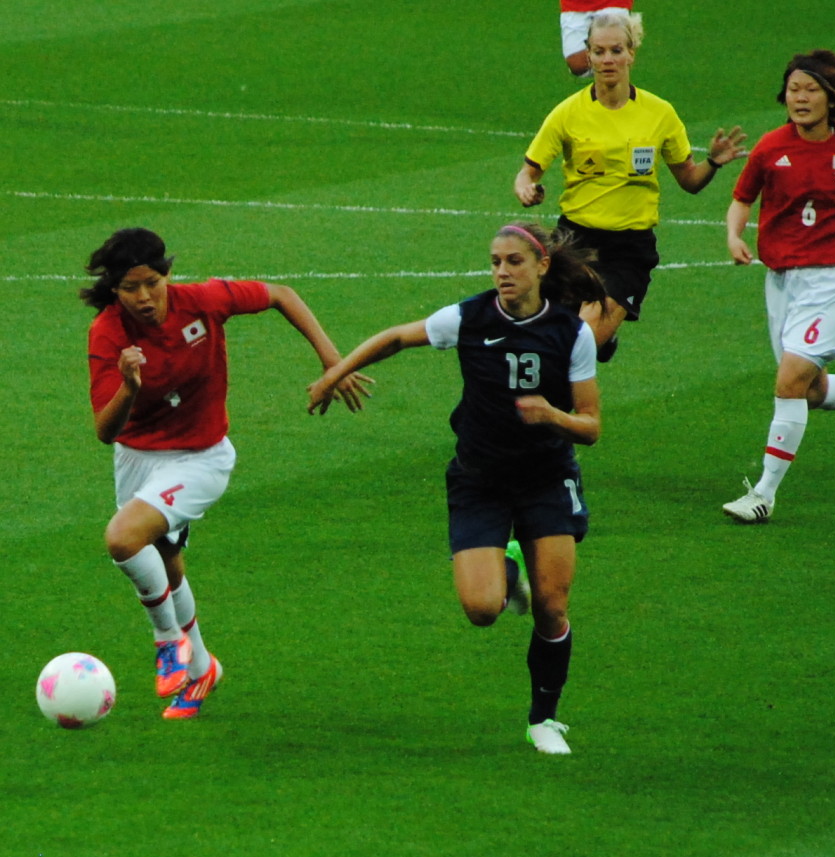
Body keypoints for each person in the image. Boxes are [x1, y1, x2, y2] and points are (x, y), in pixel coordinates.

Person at [307, 222, 603, 755]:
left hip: (546, 479)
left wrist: (551, 415)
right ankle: (509, 567)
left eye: (513, 262)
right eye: (494, 262)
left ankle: (544, 719)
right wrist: (336, 371)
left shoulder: (571, 332)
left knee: (553, 607)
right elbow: (397, 337)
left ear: (541, 266)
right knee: (482, 609)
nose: (501, 272)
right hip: (480, 480)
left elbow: (591, 425)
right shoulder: (469, 317)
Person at [82, 227, 370, 718]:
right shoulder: (107, 333)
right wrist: (129, 386)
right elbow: (106, 431)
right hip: (137, 458)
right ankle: (201, 672)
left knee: (122, 539)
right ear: (114, 290)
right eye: (130, 288)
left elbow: (281, 294)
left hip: (202, 456)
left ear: (167, 273)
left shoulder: (203, 302)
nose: (145, 297)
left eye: (152, 282)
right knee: (166, 563)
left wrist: (332, 360)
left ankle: (168, 642)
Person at [721, 49, 835, 523]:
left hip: (834, 279)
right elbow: (742, 199)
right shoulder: (770, 147)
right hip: (781, 281)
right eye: (793, 89)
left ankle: (763, 493)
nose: (799, 98)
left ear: (832, 97)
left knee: (788, 381)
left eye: (810, 90)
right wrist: (734, 235)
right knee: (809, 389)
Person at [515, 10, 747, 362]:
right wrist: (525, 187)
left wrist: (712, 162)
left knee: (582, 344)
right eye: (599, 51)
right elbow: (528, 171)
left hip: (628, 249)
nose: (607, 60)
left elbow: (689, 181)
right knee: (552, 343)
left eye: (616, 50)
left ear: (632, 53)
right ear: (588, 55)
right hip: (574, 242)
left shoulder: (660, 113)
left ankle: (595, 353)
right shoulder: (566, 113)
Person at [559, 1, 634, 78]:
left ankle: (616, 86)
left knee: (614, 47)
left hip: (613, 2)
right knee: (577, 65)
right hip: (574, 4)